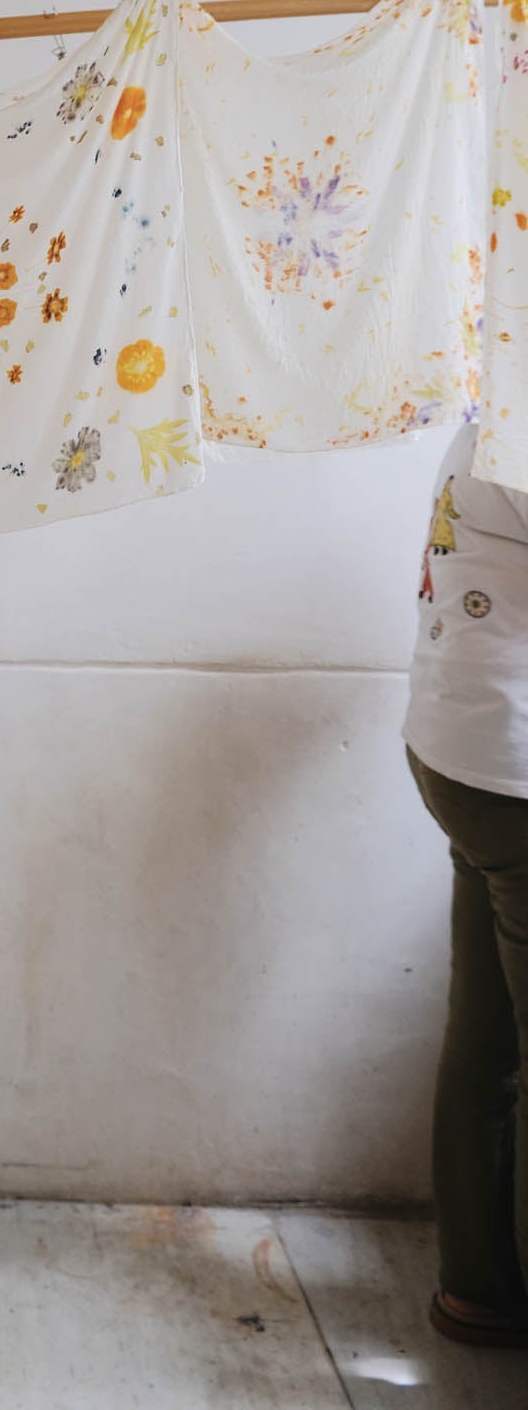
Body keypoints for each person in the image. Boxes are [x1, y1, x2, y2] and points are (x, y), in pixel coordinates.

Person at [404, 415, 528, 1349]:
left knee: (484, 1035)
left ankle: (475, 1288)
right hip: (513, 774)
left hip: (458, 756)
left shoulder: (493, 405)